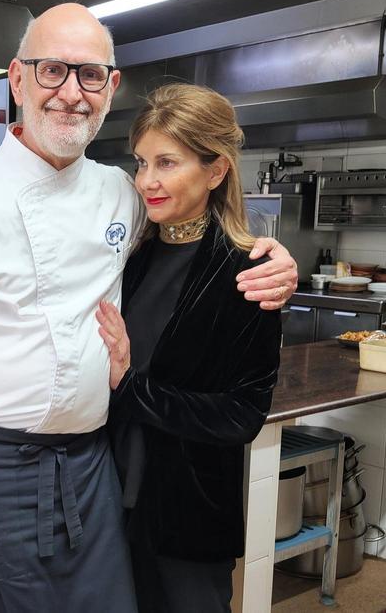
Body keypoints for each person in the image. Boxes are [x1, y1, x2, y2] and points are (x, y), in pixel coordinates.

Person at [0, 3, 298, 612]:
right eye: (52, 71)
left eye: (89, 76)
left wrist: (273, 257)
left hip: (93, 468)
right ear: (18, 78)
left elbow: (197, 232)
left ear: (111, 88)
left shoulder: (118, 193)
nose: (70, 94)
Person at [96, 83, 282, 612]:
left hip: (188, 515)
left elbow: (241, 415)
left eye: (167, 163)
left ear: (216, 170)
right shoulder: (132, 260)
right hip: (112, 499)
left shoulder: (249, 274)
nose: (147, 181)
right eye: (142, 162)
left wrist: (132, 389)